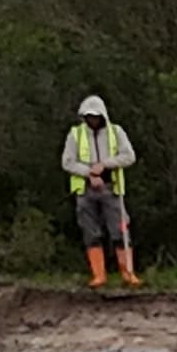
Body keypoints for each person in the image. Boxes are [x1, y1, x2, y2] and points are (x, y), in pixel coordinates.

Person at [63, 95, 140, 289]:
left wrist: (104, 165)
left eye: (96, 116)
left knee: (120, 231)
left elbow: (129, 156)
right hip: (85, 190)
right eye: (89, 116)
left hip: (112, 188)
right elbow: (67, 162)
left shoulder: (116, 132)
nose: (93, 119)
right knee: (91, 232)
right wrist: (89, 173)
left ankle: (128, 273)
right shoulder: (75, 134)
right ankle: (99, 275)